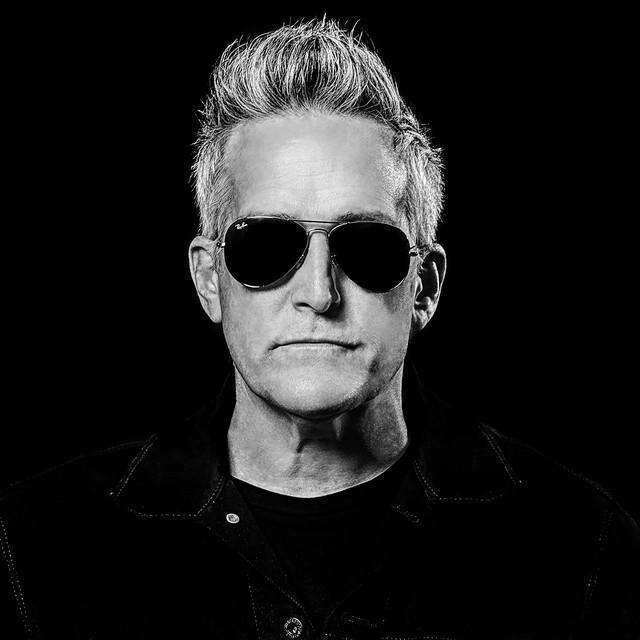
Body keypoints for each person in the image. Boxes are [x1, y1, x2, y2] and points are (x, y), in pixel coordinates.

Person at [1, 17, 638, 640]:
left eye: (367, 247)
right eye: (264, 246)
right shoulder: (40, 548)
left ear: (425, 285)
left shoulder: (583, 548)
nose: (318, 293)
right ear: (209, 279)